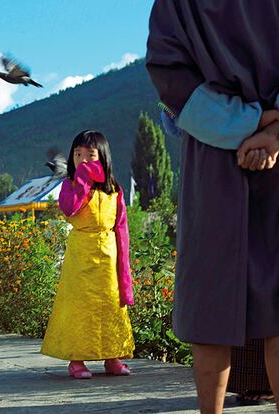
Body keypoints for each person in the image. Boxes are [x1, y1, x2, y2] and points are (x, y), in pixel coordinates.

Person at [146, 1, 279, 413]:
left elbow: (171, 78)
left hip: (209, 155)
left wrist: (245, 123)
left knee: (210, 301)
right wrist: (271, 126)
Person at [40, 130, 135, 379]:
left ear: (102, 157)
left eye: (89, 155)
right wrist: (83, 177)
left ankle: (112, 357)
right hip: (81, 254)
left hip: (108, 253)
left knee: (111, 304)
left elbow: (121, 227)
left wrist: (124, 265)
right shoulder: (69, 185)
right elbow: (70, 208)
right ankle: (76, 360)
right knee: (80, 305)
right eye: (77, 155)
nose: (82, 160)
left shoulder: (115, 189)